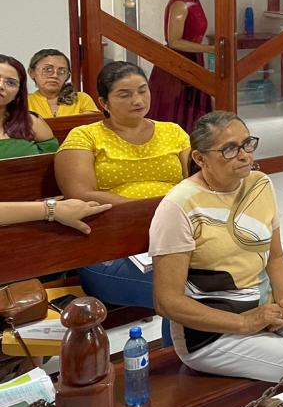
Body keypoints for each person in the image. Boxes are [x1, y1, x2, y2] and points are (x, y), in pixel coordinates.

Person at [150, 112, 283, 407]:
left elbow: (275, 257)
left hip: (265, 308)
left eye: (247, 143)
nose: (245, 155)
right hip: (210, 334)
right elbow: (167, 301)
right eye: (229, 149)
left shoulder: (261, 184)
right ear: (200, 158)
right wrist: (246, 324)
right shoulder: (178, 206)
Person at [56, 61, 191, 311]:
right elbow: (80, 195)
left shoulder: (173, 132)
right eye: (124, 94)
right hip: (111, 240)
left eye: (142, 90)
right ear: (103, 102)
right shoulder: (85, 135)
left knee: (230, 269)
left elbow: (196, 183)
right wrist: (152, 211)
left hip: (176, 232)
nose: (137, 100)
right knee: (190, 290)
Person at [147, 0, 214, 132]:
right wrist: (208, 49)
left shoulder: (193, 1)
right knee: (176, 113)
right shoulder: (181, 3)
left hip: (193, 58)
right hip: (178, 63)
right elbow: (174, 41)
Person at [0, 54, 57, 159]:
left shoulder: (31, 122)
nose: (1, 86)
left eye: (10, 83)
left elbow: (52, 163)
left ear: (18, 92)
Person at [27, 49, 99, 118]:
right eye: (48, 70)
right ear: (32, 72)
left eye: (62, 71)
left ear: (67, 76)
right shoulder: (24, 102)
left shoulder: (81, 99)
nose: (55, 75)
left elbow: (93, 127)